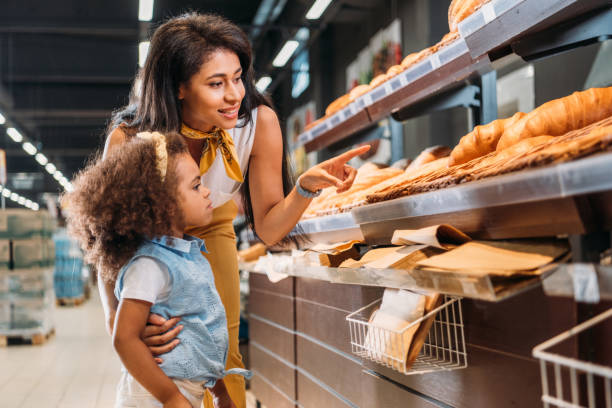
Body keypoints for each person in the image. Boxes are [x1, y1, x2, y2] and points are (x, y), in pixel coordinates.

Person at [102, 13, 369, 408]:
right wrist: (115, 320)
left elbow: (269, 228)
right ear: (178, 88)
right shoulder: (131, 139)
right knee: (160, 349)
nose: (234, 94)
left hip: (212, 227)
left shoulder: (257, 123)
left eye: (238, 77)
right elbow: (107, 241)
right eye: (216, 83)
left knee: (222, 350)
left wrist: (303, 188)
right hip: (144, 242)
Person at [66, 132, 249, 408]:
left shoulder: (189, 255)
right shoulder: (150, 266)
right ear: (163, 204)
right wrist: (170, 397)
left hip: (182, 390)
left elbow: (199, 331)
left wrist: (220, 391)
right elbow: (124, 338)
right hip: (153, 394)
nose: (207, 191)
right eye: (196, 186)